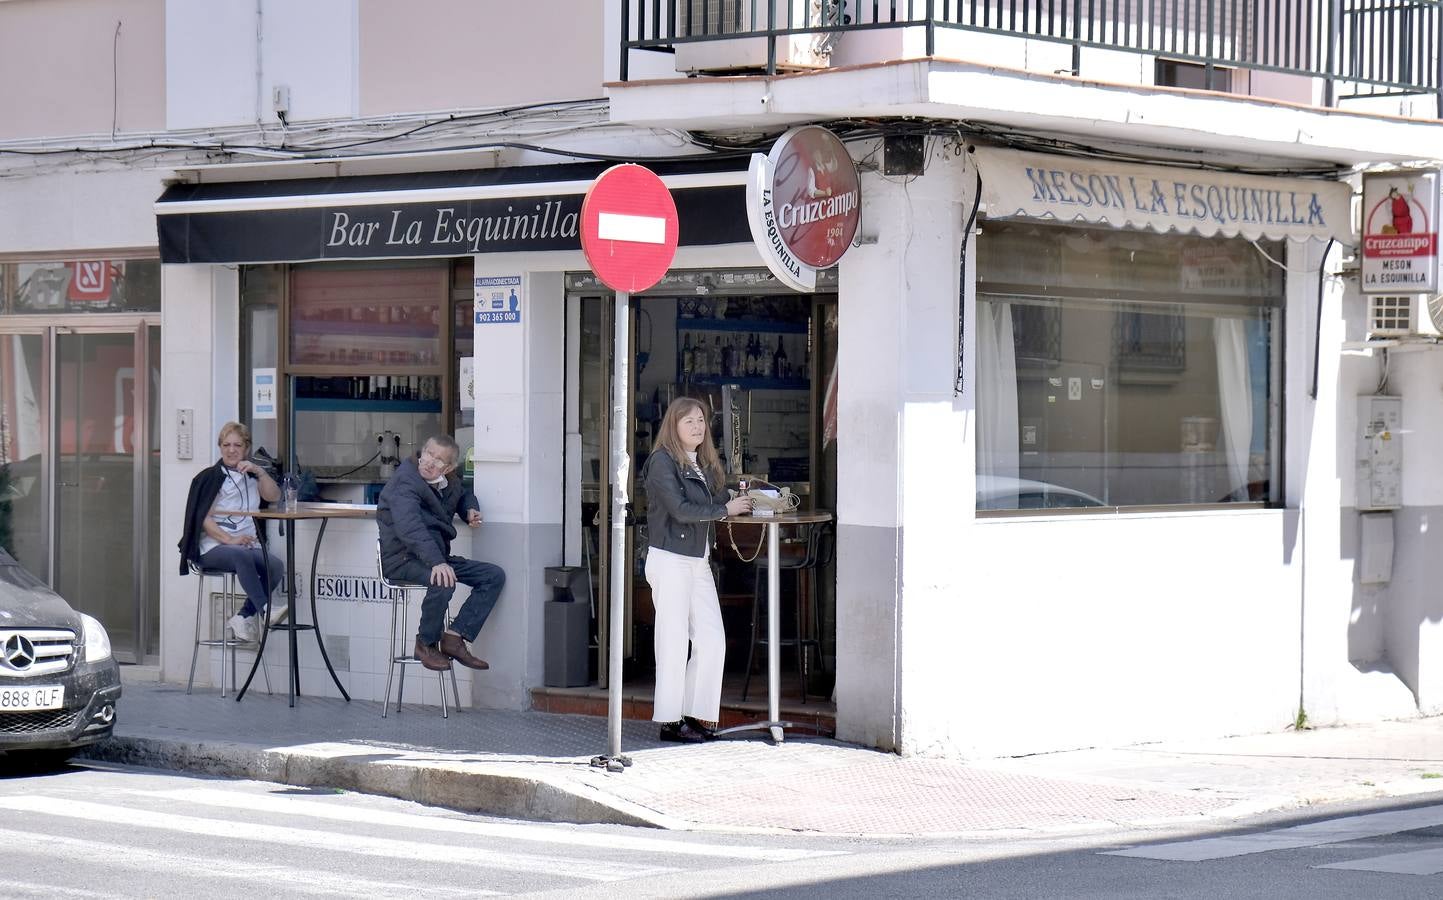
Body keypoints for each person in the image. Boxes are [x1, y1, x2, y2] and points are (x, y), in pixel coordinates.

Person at [641, 398, 752, 744]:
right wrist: (725, 509)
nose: (697, 427)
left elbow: (716, 499)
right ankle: (670, 722)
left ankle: (693, 713)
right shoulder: (661, 462)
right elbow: (680, 509)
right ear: (672, 426)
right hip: (670, 559)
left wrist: (740, 498)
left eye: (701, 421)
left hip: (697, 561)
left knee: (711, 640)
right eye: (688, 421)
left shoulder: (702, 463)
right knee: (672, 643)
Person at [377, 434, 504, 672]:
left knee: (493, 576)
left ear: (449, 468)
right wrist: (436, 562)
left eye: (438, 460)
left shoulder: (449, 482)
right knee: (443, 581)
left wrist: (470, 509)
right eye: (428, 454)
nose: (429, 462)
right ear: (421, 451)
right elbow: (409, 527)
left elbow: (462, 494)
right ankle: (425, 644)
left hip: (436, 559)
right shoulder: (405, 482)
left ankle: (455, 637)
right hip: (402, 559)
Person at [178, 422, 286, 642]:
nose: (231, 450)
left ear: (246, 448)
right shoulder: (212, 477)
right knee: (241, 554)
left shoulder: (252, 476)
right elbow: (203, 519)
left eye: (237, 445)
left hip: (245, 545)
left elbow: (274, 496)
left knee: (275, 565)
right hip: (212, 547)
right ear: (220, 447)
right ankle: (266, 610)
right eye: (226, 445)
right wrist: (230, 539)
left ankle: (243, 616)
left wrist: (260, 472)